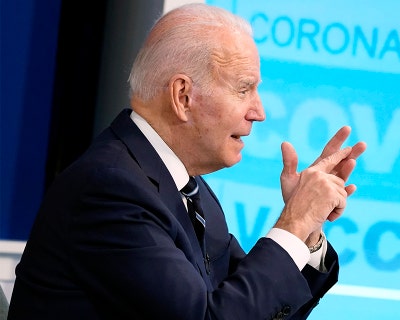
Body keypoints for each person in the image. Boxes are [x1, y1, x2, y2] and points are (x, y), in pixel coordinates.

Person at [8, 3, 366, 319]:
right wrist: (294, 220)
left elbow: (254, 308)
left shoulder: (191, 191)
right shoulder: (108, 190)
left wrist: (308, 227)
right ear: (183, 97)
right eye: (244, 89)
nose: (259, 112)